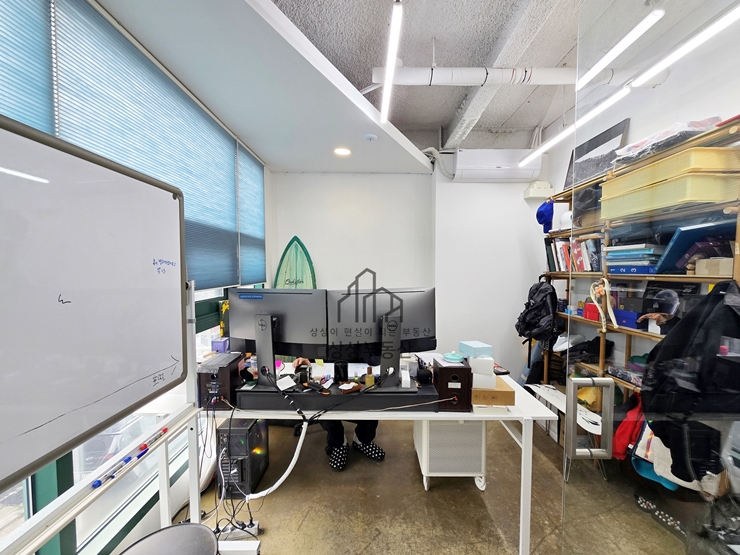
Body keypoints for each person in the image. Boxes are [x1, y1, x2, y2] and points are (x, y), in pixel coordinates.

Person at [293, 357, 385, 472]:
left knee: (372, 399)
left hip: (360, 372)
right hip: (327, 373)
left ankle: (363, 441)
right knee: (324, 402)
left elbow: (376, 358)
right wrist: (305, 358)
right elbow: (312, 350)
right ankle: (339, 444)